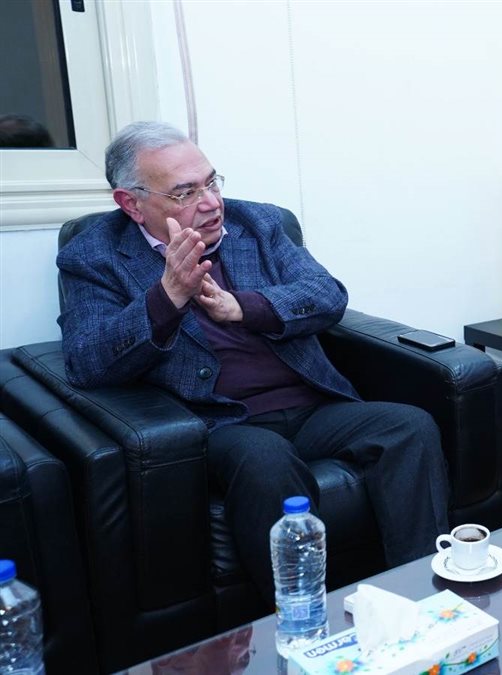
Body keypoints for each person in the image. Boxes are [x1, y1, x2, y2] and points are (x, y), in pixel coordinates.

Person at [57, 121, 450, 603]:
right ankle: (307, 617)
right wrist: (167, 296)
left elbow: (327, 295)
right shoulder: (93, 256)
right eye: (185, 192)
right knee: (264, 457)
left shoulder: (259, 224)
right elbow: (87, 360)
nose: (210, 203)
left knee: (408, 427)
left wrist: (244, 307)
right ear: (132, 203)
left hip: (311, 405)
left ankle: (425, 600)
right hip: (220, 422)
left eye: (211, 183)